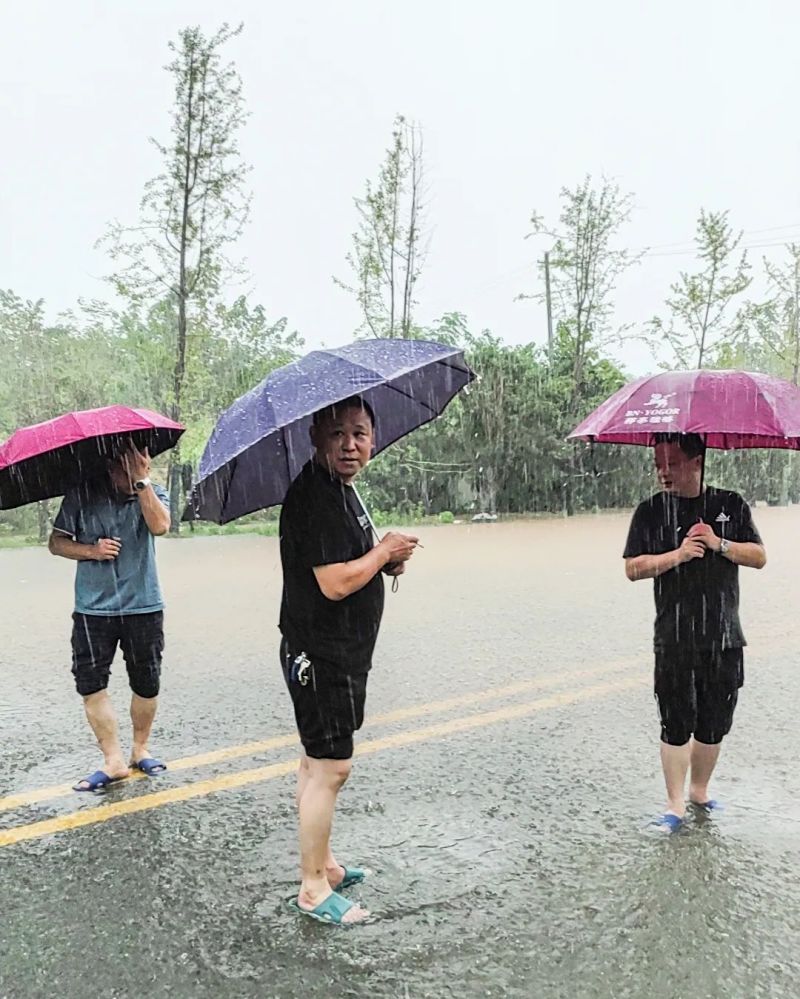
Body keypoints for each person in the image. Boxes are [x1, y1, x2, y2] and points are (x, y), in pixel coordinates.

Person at [279, 396, 419, 924]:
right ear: (315, 436)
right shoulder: (313, 497)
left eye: (359, 433)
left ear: (374, 439)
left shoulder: (344, 492)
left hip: (338, 652)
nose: (349, 444)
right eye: (337, 433)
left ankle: (326, 865)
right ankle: (313, 888)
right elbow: (334, 582)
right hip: (321, 653)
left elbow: (355, 562)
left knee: (316, 762)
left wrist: (387, 563)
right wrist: (382, 553)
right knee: (331, 767)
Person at [623, 433, 766, 831]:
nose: (663, 472)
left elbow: (758, 557)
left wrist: (719, 544)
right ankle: (674, 806)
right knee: (676, 720)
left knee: (714, 720)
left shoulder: (729, 504)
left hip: (724, 635)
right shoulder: (651, 512)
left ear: (697, 460)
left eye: (671, 462)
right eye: (657, 464)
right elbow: (633, 568)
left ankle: (699, 791)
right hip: (674, 636)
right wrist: (679, 555)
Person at [48, 444, 172, 792]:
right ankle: (113, 760)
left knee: (146, 682)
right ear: (109, 466)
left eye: (137, 465)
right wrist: (91, 551)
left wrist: (142, 481)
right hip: (92, 609)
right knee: (91, 683)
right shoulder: (82, 494)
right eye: (124, 468)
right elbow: (56, 543)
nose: (128, 474)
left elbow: (161, 526)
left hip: (143, 606)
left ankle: (140, 749)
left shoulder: (151, 490)